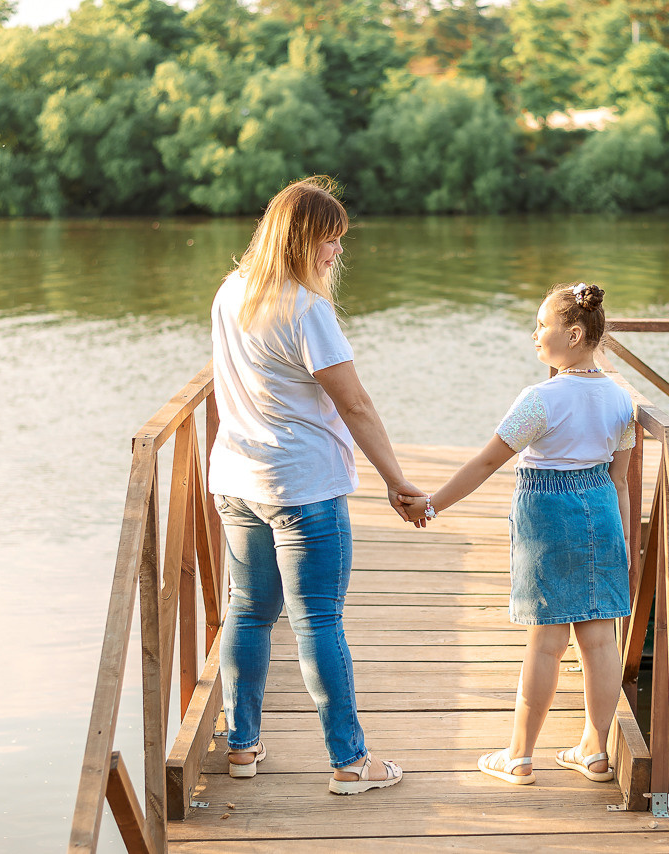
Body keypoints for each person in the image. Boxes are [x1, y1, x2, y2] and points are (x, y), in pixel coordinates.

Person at [208, 176, 420, 795]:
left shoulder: (231, 293)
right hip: (301, 486)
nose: (336, 254)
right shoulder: (306, 308)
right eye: (330, 241)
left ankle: (242, 747)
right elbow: (354, 405)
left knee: (248, 614)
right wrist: (397, 481)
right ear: (303, 240)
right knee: (318, 621)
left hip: (238, 480)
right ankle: (350, 762)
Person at [401, 282, 635, 786]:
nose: (534, 334)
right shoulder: (620, 399)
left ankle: (520, 756)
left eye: (542, 326)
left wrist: (433, 504)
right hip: (602, 515)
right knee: (598, 639)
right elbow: (619, 481)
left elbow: (487, 460)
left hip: (549, 519)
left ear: (573, 334)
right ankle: (595, 751)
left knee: (545, 643)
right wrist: (627, 546)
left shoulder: (540, 400)